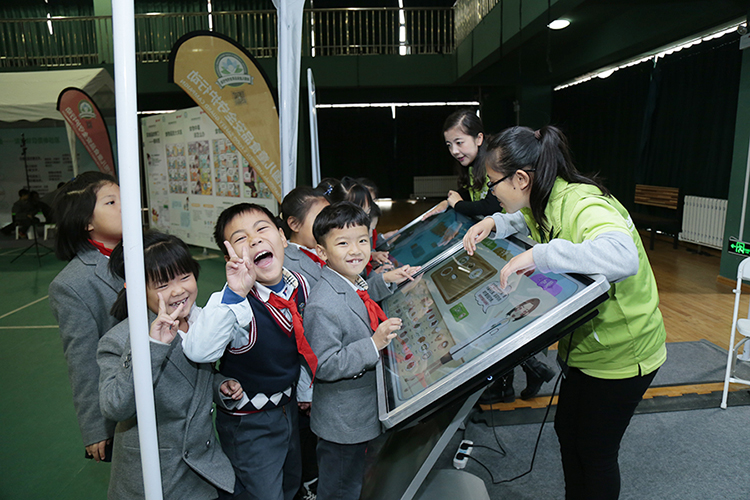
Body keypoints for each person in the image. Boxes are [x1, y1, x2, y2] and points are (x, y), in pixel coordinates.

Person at [462, 125, 667, 499]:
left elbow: (622, 256)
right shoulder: (545, 197)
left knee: (596, 451)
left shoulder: (582, 202)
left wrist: (540, 255)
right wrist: (495, 221)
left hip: (624, 352)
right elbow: (528, 218)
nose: (491, 193)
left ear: (521, 178)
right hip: (587, 349)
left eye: (493, 184)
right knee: (567, 433)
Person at [182, 203, 316, 500]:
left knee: (291, 480)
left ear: (283, 238)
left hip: (287, 409)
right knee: (261, 492)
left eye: (262, 229)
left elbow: (304, 345)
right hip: (250, 423)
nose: (254, 239)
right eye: (240, 238)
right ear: (229, 256)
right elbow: (200, 350)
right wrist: (234, 293)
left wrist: (304, 392)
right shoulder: (232, 302)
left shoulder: (299, 285)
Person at [97, 231, 239, 500]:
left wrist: (220, 385)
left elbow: (195, 379)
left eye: (184, 276)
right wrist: (153, 346)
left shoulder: (200, 320)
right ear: (137, 290)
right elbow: (115, 406)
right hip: (153, 475)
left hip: (201, 465)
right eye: (162, 284)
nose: (178, 290)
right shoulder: (119, 340)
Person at [303, 202, 417, 500]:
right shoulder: (322, 304)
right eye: (343, 243)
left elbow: (359, 297)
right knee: (340, 489)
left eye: (362, 240)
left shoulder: (348, 279)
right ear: (322, 252)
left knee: (356, 481)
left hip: (359, 414)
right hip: (343, 425)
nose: (356, 250)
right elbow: (325, 365)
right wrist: (373, 344)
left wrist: (385, 280)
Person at [48, 171, 123, 463]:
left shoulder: (149, 253)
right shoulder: (72, 284)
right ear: (87, 222)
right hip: (125, 395)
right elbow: (82, 360)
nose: (124, 206)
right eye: (111, 202)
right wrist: (95, 428)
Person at [421, 109, 502, 220]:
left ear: (478, 139)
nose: (454, 151)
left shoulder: (497, 162)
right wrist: (448, 201)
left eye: (459, 143)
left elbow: (491, 206)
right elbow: (468, 194)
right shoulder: (471, 165)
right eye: (449, 145)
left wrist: (458, 204)